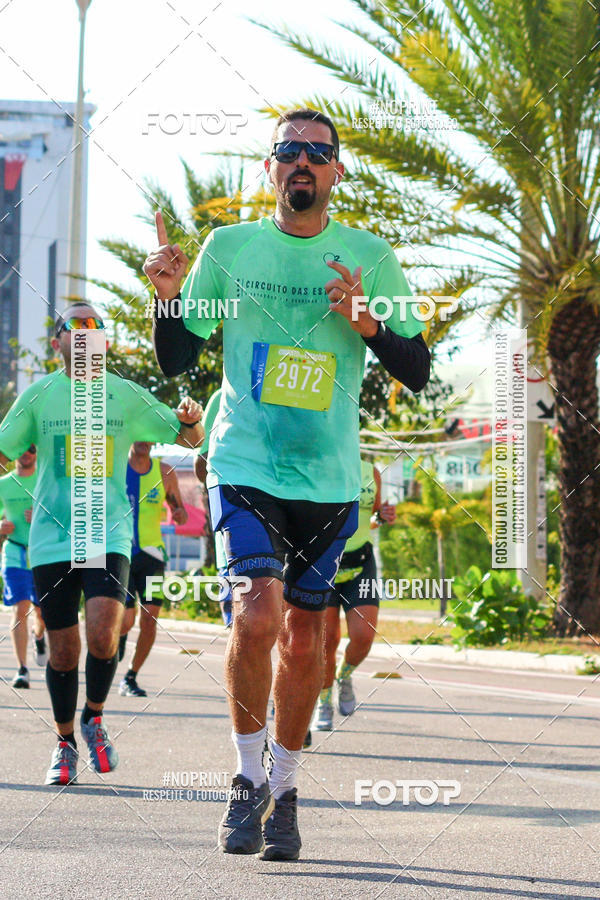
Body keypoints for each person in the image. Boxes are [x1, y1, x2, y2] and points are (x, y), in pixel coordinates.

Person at [144, 107, 430, 860]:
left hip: (330, 477)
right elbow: (178, 357)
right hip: (244, 464)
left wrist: (369, 325)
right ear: (269, 169)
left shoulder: (369, 255)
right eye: (288, 151)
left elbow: (419, 369)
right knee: (256, 611)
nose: (303, 161)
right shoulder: (229, 248)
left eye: (318, 152)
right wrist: (168, 296)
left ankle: (287, 787)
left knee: (307, 643)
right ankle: (245, 779)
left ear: (337, 171)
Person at [0, 303, 203, 786]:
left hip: (106, 531)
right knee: (65, 650)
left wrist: (192, 421)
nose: (88, 332)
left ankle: (94, 716)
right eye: (77, 326)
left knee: (104, 634)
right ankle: (65, 741)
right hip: (51, 537)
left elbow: (188, 438)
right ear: (58, 342)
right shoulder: (40, 396)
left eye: (96, 326)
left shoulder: (125, 395)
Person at [314, 458, 396, 732]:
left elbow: (372, 517)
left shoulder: (369, 471)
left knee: (363, 636)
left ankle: (344, 675)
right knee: (327, 642)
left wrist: (381, 517)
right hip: (324, 561)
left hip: (361, 560)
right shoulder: (320, 462)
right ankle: (324, 701)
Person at [118, 442, 188, 697]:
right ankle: (121, 635)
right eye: (138, 435)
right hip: (120, 553)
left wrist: (180, 514)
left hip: (153, 556)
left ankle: (130, 676)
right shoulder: (115, 468)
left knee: (150, 619)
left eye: (148, 437)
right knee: (126, 620)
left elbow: (180, 513)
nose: (143, 441)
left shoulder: (165, 473)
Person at [0, 444, 46, 688]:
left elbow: (64, 515)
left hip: (42, 553)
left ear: (37, 453)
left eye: (31, 449)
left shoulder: (45, 480)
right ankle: (22, 669)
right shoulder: (3, 483)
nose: (26, 454)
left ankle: (39, 637)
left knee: (41, 612)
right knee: (20, 608)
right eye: (22, 449)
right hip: (15, 551)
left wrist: (41, 515)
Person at [193, 388, 233, 627]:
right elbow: (201, 467)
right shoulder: (222, 397)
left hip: (289, 535)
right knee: (240, 624)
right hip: (232, 538)